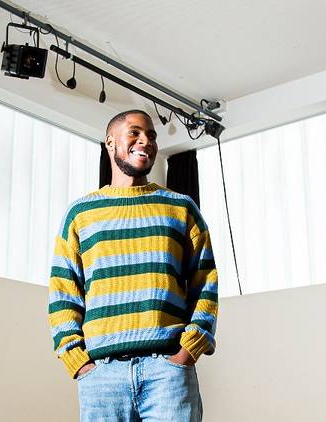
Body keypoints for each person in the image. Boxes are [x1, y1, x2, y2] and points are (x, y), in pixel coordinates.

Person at [48, 110, 218, 421]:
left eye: (152, 136)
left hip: (167, 373)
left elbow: (205, 282)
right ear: (110, 142)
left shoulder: (181, 208)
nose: (146, 141)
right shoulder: (81, 213)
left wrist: (187, 352)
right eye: (136, 133)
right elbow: (63, 291)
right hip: (101, 376)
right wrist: (78, 362)